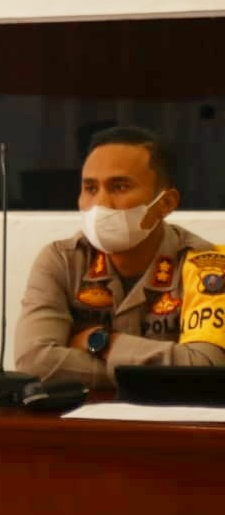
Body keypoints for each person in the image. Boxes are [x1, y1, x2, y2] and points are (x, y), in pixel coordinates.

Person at [14, 125, 225, 388]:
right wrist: (155, 374)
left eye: (119, 186)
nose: (100, 203)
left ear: (166, 203)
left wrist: (102, 342)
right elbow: (34, 362)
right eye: (91, 188)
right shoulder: (62, 261)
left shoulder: (207, 266)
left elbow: (206, 369)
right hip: (88, 413)